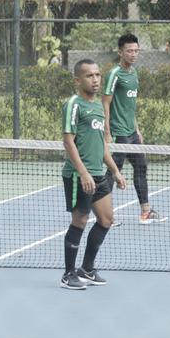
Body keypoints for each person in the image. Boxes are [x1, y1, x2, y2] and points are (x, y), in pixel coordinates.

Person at [60, 59, 128, 290]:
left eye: (98, 75)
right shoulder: (73, 104)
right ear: (78, 80)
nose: (96, 79)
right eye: (90, 76)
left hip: (99, 174)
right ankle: (68, 274)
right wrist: (83, 173)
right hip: (79, 176)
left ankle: (87, 268)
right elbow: (68, 141)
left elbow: (102, 145)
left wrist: (115, 171)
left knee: (106, 220)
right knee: (79, 220)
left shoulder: (99, 106)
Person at [103, 33, 164, 225]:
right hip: (119, 132)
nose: (133, 54)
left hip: (131, 132)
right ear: (120, 52)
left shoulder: (134, 73)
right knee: (114, 172)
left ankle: (145, 211)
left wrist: (137, 128)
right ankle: (105, 215)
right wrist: (107, 132)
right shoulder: (115, 74)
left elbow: (130, 105)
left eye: (136, 50)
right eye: (129, 51)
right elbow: (105, 103)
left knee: (141, 167)